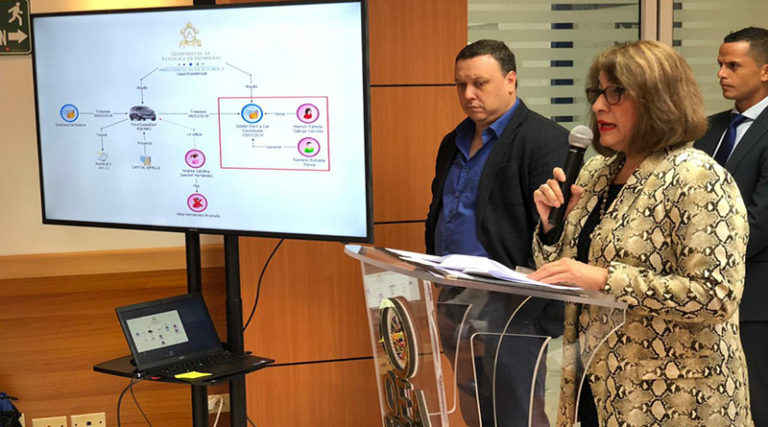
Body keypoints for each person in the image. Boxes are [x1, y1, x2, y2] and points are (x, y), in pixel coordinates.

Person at [529, 40, 753, 426]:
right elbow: (570, 273)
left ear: (658, 99)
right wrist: (552, 229)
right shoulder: (597, 172)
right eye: (598, 92)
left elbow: (716, 296)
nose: (599, 106)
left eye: (615, 93)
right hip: (598, 385)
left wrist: (604, 279)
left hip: (676, 400)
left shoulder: (696, 176)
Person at [425, 39, 569, 426]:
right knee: (472, 402)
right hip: (454, 292)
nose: (468, 94)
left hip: (511, 302)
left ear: (510, 81)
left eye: (480, 83)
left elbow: (555, 230)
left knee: (516, 411)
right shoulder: (452, 141)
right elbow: (440, 209)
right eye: (461, 85)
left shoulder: (543, 139)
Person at [693, 27, 768, 426]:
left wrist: (704, 258)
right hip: (701, 297)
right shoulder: (707, 129)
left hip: (754, 298)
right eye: (720, 65)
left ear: (765, 71)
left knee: (756, 407)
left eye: (734, 65)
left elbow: (761, 220)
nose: (722, 74)